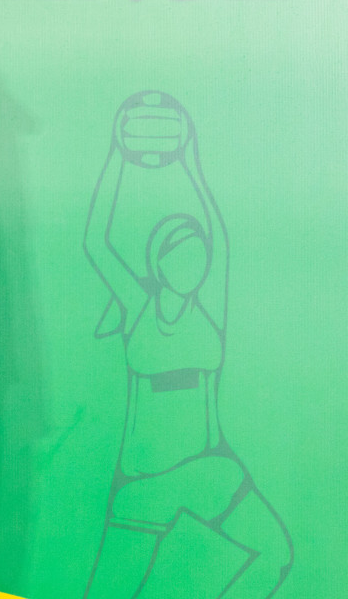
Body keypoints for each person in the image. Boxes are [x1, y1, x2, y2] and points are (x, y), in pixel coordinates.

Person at [82, 92, 291, 599]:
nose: (193, 263)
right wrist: (116, 155)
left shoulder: (208, 309)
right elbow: (95, 241)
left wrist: (191, 162)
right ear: (158, 264)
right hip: (146, 481)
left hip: (208, 468)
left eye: (198, 255)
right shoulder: (138, 307)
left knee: (275, 554)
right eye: (181, 254)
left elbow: (217, 232)